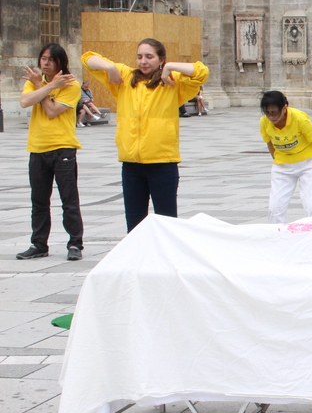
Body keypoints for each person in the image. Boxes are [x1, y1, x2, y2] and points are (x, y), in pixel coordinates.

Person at [83, 38, 209, 232]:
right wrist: (109, 67)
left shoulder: (172, 81)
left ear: (161, 59)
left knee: (166, 222)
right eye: (140, 56)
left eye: (150, 57)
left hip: (162, 162)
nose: (143, 61)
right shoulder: (124, 78)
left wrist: (170, 67)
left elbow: (202, 72)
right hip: (132, 164)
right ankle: (139, 261)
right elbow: (88, 59)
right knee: (134, 224)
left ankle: (166, 261)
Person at [17, 44, 84, 261]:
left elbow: (53, 111)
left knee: (69, 199)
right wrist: (42, 85)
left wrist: (42, 87)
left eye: (51, 60)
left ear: (60, 62)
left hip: (62, 147)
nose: (45, 63)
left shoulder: (71, 84)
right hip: (37, 147)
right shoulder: (33, 82)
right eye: (43, 58)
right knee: (39, 200)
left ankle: (75, 243)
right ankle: (39, 244)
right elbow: (25, 101)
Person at [259, 91, 312, 223]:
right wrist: (277, 160)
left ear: (284, 108)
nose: (271, 117)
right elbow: (269, 142)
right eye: (267, 113)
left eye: (274, 112)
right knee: (275, 208)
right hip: (283, 165)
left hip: (308, 162)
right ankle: (276, 237)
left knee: (310, 207)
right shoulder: (264, 121)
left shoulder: (299, 118)